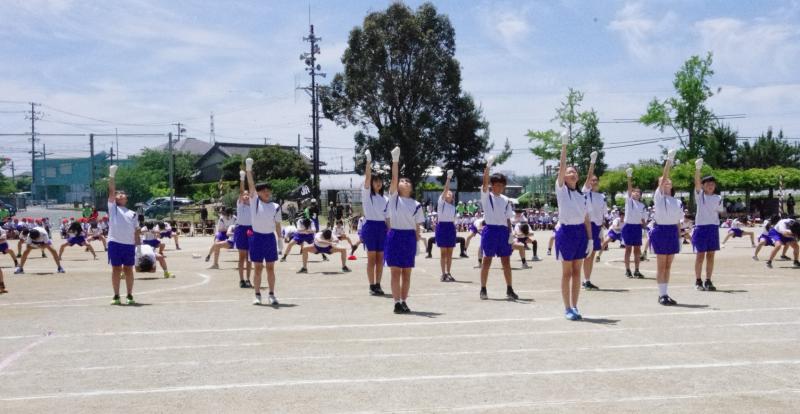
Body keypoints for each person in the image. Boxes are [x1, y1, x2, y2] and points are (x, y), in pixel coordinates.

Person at [554, 132, 592, 320]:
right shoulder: (561, 190)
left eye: (574, 172)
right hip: (566, 233)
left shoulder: (581, 195)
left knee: (577, 272)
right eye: (569, 172)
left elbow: (586, 218)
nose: (572, 173)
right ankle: (567, 307)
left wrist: (591, 239)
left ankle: (575, 306)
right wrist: (564, 146)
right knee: (567, 272)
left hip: (580, 234)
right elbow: (562, 166)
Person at [384, 146, 425, 314]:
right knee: (395, 272)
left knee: (407, 273)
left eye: (408, 181)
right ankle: (396, 302)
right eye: (402, 181)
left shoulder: (416, 205)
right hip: (395, 235)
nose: (404, 182)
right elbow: (394, 179)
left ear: (412, 188)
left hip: (409, 237)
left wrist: (417, 241)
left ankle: (403, 301)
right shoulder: (394, 198)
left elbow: (417, 226)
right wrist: (395, 161)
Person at [478, 154, 519, 301]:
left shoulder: (506, 200)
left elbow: (508, 218)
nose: (500, 187)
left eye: (502, 185)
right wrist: (488, 167)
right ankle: (483, 288)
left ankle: (509, 288)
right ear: (492, 185)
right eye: (497, 185)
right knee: (487, 260)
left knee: (506, 261)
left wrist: (511, 233)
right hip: (490, 231)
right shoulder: (486, 196)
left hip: (503, 232)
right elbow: (484, 183)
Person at [245, 157, 283, 305]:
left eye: (268, 190)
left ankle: (272, 295)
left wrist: (280, 239)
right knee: (258, 268)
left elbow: (278, 224)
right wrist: (249, 170)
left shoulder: (276, 206)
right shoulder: (255, 201)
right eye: (263, 190)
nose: (266, 192)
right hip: (256, 238)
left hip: (269, 238)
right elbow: (251, 185)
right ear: (258, 193)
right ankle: (257, 295)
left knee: (270, 268)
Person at [651, 149, 683, 305]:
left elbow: (678, 221)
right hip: (661, 231)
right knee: (661, 264)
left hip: (672, 231)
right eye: (663, 181)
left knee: (668, 265)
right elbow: (664, 176)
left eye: (668, 181)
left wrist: (679, 237)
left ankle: (665, 293)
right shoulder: (659, 197)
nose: (665, 182)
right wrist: (669, 161)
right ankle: (661, 294)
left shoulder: (677, 202)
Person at [106, 165, 140, 305]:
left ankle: (130, 295)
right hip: (114, 242)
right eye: (117, 194)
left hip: (129, 244)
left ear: (126, 199)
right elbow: (111, 190)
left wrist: (139, 247)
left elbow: (136, 231)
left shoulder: (133, 214)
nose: (119, 195)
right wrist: (112, 175)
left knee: (128, 269)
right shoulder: (113, 208)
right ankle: (116, 296)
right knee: (116, 269)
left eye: (122, 194)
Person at [691, 159, 724, 292]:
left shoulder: (718, 198)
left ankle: (708, 280)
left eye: (712, 184)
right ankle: (698, 280)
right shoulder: (700, 196)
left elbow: (719, 211)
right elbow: (697, 183)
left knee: (711, 255)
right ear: (703, 186)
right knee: (700, 255)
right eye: (708, 184)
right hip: (701, 228)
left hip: (713, 228)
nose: (710, 186)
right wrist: (698, 169)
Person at [361, 149, 389, 296]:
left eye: (380, 181)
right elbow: (367, 178)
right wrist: (368, 162)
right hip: (370, 227)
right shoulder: (367, 195)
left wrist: (390, 231)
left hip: (382, 228)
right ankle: (371, 285)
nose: (378, 183)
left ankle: (378, 284)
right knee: (371, 258)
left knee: (380, 259)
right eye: (375, 181)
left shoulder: (385, 199)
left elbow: (387, 218)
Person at [582, 151, 605, 291]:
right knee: (587, 254)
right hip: (586, 226)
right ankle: (585, 280)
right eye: (592, 180)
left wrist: (601, 230)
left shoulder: (602, 197)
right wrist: (592, 162)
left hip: (596, 227)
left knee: (593, 254)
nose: (594, 182)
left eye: (596, 180)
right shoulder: (586, 192)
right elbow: (589, 176)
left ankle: (587, 279)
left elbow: (602, 214)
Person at [622, 167, 647, 278]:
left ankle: (637, 270)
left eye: (638, 192)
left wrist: (645, 228)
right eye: (634, 192)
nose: (636, 193)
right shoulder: (629, 201)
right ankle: (627, 270)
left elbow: (643, 219)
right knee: (628, 249)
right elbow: (629, 188)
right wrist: (629, 177)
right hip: (628, 227)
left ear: (640, 195)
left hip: (637, 227)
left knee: (637, 250)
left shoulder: (642, 205)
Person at [434, 169, 458, 282]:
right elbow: (446, 189)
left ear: (452, 198)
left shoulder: (453, 208)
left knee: (450, 253)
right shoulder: (441, 203)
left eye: (450, 193)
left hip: (450, 228)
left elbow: (454, 221)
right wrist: (448, 178)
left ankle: (448, 272)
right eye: (447, 193)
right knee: (443, 252)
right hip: (442, 227)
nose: (448, 193)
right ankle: (443, 273)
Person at [234, 171, 253, 288]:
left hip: (251, 230)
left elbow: (252, 190)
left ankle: (248, 279)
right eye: (244, 195)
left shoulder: (253, 205)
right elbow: (241, 192)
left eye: (247, 194)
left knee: (249, 257)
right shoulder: (240, 204)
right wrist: (242, 178)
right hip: (241, 229)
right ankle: (241, 280)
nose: (245, 196)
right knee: (242, 256)